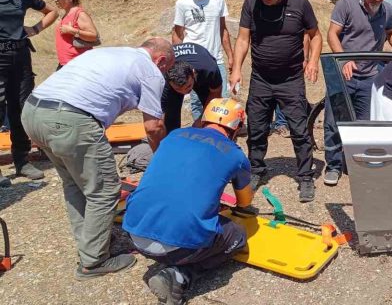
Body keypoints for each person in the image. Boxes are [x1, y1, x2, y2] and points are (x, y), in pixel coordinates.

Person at [21, 38, 173, 279]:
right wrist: (165, 162)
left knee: (75, 183)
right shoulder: (151, 70)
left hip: (33, 112)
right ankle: (93, 261)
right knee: (105, 190)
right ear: (161, 60)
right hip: (69, 118)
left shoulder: (114, 53)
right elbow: (153, 126)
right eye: (166, 68)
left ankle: (90, 242)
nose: (164, 73)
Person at [123, 98, 253, 305]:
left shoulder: (174, 135)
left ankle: (175, 266)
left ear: (204, 119)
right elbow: (244, 202)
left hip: (134, 231)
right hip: (178, 246)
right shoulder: (235, 155)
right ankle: (180, 275)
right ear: (236, 128)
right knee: (238, 236)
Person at [229, 0, 322, 203]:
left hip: (291, 79)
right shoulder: (251, 3)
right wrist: (236, 69)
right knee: (257, 128)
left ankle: (305, 177)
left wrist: (313, 61)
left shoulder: (300, 4)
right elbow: (243, 39)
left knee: (299, 129)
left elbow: (315, 36)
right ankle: (256, 170)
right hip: (261, 78)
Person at [322, 0, 392, 186]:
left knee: (364, 124)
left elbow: (391, 30)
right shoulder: (346, 4)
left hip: (370, 76)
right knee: (334, 121)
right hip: (342, 75)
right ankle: (333, 166)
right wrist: (344, 59)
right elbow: (332, 34)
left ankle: (355, 163)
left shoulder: (387, 10)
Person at [0, 0, 58, 186]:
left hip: (21, 56)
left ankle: (22, 161)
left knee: (22, 109)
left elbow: (51, 12)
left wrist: (35, 29)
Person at [172, 0, 234, 122]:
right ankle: (199, 131)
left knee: (220, 99)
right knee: (196, 101)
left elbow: (223, 29)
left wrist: (231, 57)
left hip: (215, 58)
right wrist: (178, 61)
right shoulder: (182, 4)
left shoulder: (218, 0)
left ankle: (217, 130)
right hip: (192, 62)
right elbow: (178, 34)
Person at [162, 42, 222, 133]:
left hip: (200, 69)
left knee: (213, 110)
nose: (184, 93)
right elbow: (160, 113)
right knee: (170, 116)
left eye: (188, 86)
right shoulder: (162, 77)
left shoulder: (209, 69)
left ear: (193, 73)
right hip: (174, 76)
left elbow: (216, 93)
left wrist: (201, 120)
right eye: (178, 89)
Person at [52, 0, 100, 69]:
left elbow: (94, 36)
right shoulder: (67, 13)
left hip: (78, 64)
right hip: (67, 63)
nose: (55, 0)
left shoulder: (79, 14)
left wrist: (72, 31)